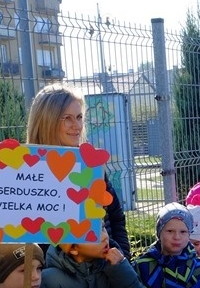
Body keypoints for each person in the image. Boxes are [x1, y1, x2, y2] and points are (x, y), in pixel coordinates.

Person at [27, 84, 130, 258]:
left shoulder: (90, 164)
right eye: (67, 118)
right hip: (55, 271)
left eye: (79, 117)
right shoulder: (28, 172)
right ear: (47, 121)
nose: (77, 126)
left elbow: (116, 217)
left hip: (106, 267)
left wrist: (123, 257)